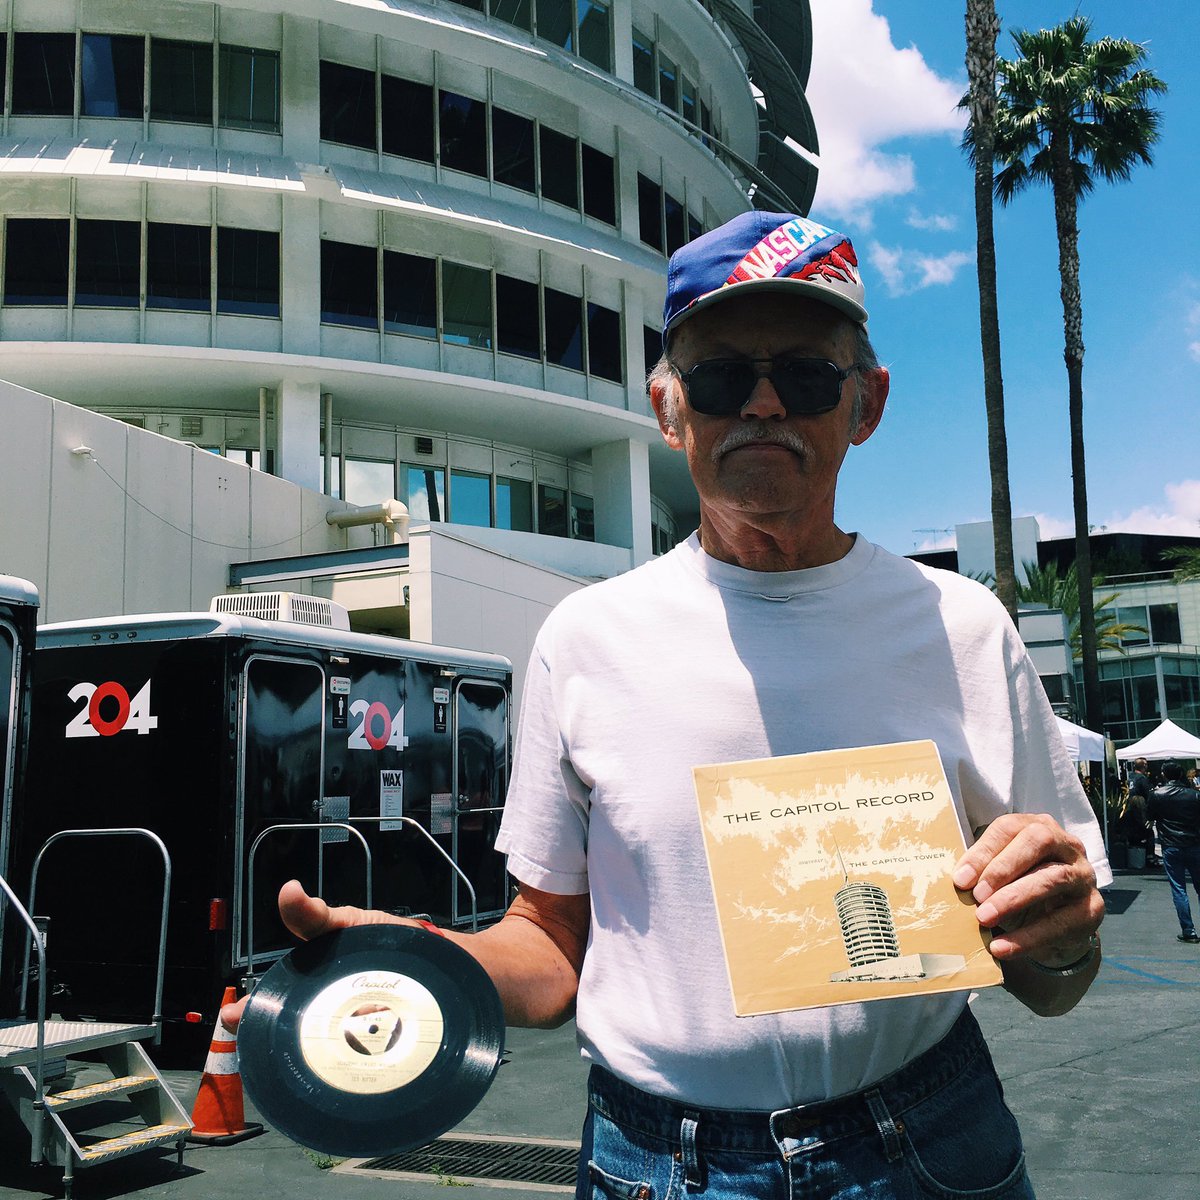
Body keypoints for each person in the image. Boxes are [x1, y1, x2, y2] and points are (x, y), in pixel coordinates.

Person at [237, 212, 1109, 1199]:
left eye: (811, 377)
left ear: (867, 404)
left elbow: (1054, 975)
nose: (767, 404)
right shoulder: (587, 640)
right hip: (662, 1164)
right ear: (668, 407)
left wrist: (1066, 933)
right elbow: (551, 941)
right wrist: (417, 959)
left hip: (925, 1137)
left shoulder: (961, 628)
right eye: (724, 376)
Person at [1147, 760, 1200, 943]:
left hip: (1171, 845)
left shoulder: (1157, 795)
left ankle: (1189, 930)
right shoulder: (1194, 795)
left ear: (1164, 774)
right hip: (1194, 843)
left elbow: (1150, 816)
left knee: (1179, 888)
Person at [1126, 757, 1156, 864]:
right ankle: (1149, 856)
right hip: (1140, 807)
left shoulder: (1131, 777)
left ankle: (1139, 853)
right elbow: (1148, 794)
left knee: (1135, 830)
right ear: (1144, 766)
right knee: (1148, 831)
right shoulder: (1142, 778)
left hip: (1131, 806)